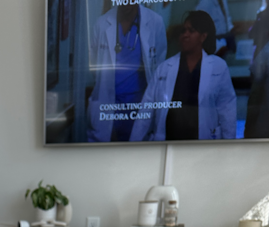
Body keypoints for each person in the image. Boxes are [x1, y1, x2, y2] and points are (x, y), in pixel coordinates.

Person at [130, 10, 237, 141]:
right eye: (183, 30)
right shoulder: (164, 68)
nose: (185, 35)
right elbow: (146, 110)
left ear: (203, 37)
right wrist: (134, 143)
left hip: (202, 142)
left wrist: (229, 145)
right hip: (168, 141)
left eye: (191, 31)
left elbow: (227, 110)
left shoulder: (218, 67)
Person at [87, 1, 167, 142]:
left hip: (139, 107)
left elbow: (158, 67)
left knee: (137, 151)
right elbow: (94, 67)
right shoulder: (101, 24)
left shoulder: (155, 22)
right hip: (107, 106)